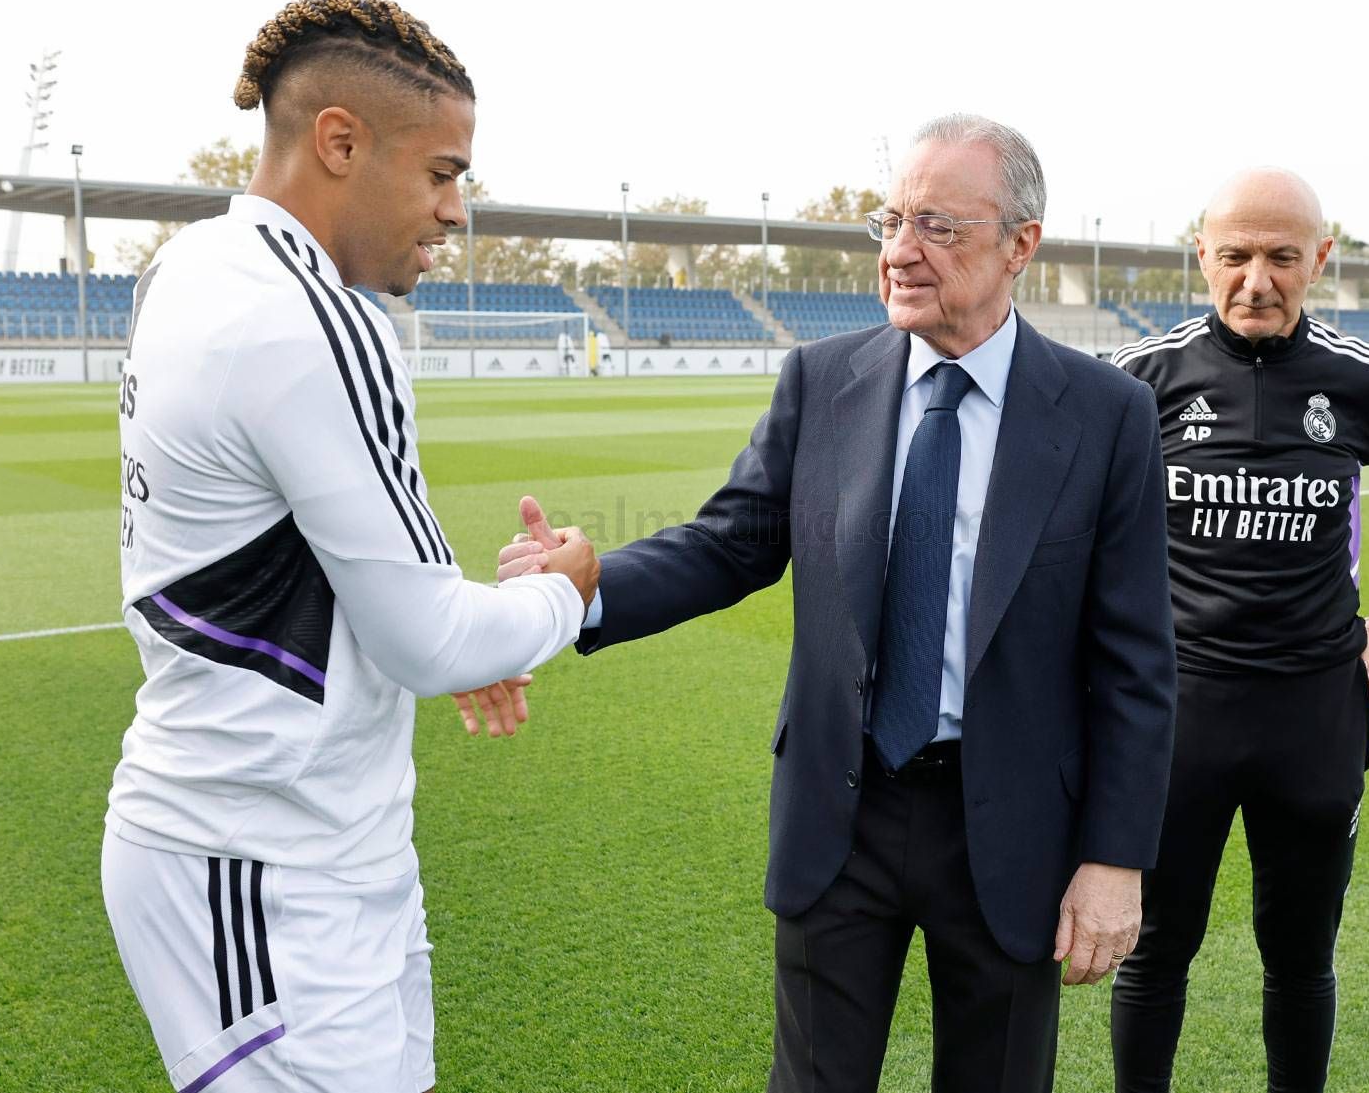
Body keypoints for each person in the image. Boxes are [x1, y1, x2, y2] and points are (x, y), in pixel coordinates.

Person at [500, 114, 1177, 1092]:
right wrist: (590, 584)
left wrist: (1115, 858)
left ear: (1021, 243)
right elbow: (730, 543)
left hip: (1013, 824)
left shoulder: (1107, 414)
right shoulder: (822, 381)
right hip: (841, 810)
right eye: (892, 220)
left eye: (939, 227)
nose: (901, 251)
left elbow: (1136, 659)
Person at [102, 0, 598, 1093]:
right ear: (340, 142)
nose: (456, 209)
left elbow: (324, 568)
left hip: (293, 843)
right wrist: (564, 588)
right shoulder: (311, 319)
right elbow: (428, 640)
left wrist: (456, 626)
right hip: (262, 868)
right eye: (442, 171)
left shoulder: (192, 266)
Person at [1109, 168, 1369, 1093]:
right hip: (1180, 717)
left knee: (1300, 959)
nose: (1256, 281)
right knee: (1156, 953)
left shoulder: (1361, 379)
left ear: (1321, 257)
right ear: (1202, 256)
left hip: (1315, 718)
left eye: (1280, 257)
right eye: (1234, 256)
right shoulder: (1139, 380)